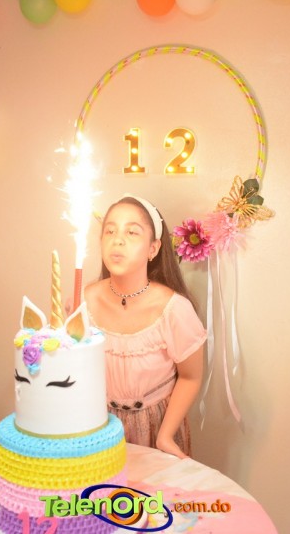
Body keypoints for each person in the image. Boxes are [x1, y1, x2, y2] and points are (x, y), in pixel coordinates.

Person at [84, 195, 206, 459]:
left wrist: (164, 435)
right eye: (110, 231)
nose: (118, 240)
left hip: (156, 427)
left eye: (132, 232)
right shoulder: (84, 301)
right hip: (98, 427)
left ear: (153, 249)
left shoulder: (174, 309)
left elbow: (190, 377)